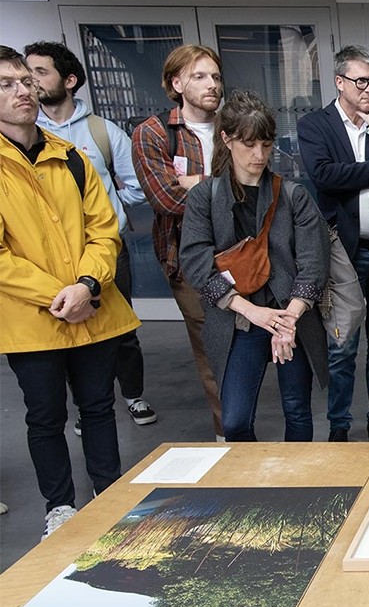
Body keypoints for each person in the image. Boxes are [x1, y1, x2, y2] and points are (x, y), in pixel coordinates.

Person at [0, 46, 140, 539]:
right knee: (45, 417)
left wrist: (85, 285)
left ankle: (109, 494)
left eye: (25, 81)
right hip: (33, 321)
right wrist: (58, 295)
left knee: (99, 408)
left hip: (92, 307)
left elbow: (105, 231)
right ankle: (59, 507)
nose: (24, 90)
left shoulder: (74, 158)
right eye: (7, 84)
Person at [178, 89, 329, 442]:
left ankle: (298, 485)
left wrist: (288, 320)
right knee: (234, 420)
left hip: (290, 315)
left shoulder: (293, 195)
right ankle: (251, 488)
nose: (259, 155)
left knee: (297, 410)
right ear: (227, 140)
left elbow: (313, 264)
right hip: (237, 319)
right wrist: (253, 312)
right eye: (249, 144)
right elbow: (197, 265)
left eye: (266, 144)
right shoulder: (205, 197)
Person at [24, 40, 157, 434]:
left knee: (121, 330)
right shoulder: (26, 135)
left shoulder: (101, 131)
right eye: (26, 73)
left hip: (105, 249)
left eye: (40, 72)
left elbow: (136, 186)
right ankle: (87, 405)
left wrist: (110, 204)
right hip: (49, 257)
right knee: (68, 332)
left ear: (68, 80)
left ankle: (133, 395)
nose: (31, 82)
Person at [297, 44, 369, 443]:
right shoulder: (316, 125)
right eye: (362, 80)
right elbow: (325, 176)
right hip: (345, 252)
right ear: (340, 82)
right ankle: (339, 426)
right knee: (342, 345)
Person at [130, 44, 225, 438]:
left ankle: (243, 425)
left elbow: (257, 191)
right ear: (176, 82)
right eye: (200, 76)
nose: (212, 85)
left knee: (251, 348)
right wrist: (221, 187)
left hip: (243, 255)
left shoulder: (232, 126)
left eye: (216, 77)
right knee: (212, 350)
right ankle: (229, 436)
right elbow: (167, 199)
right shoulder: (153, 133)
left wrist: (197, 184)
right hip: (188, 262)